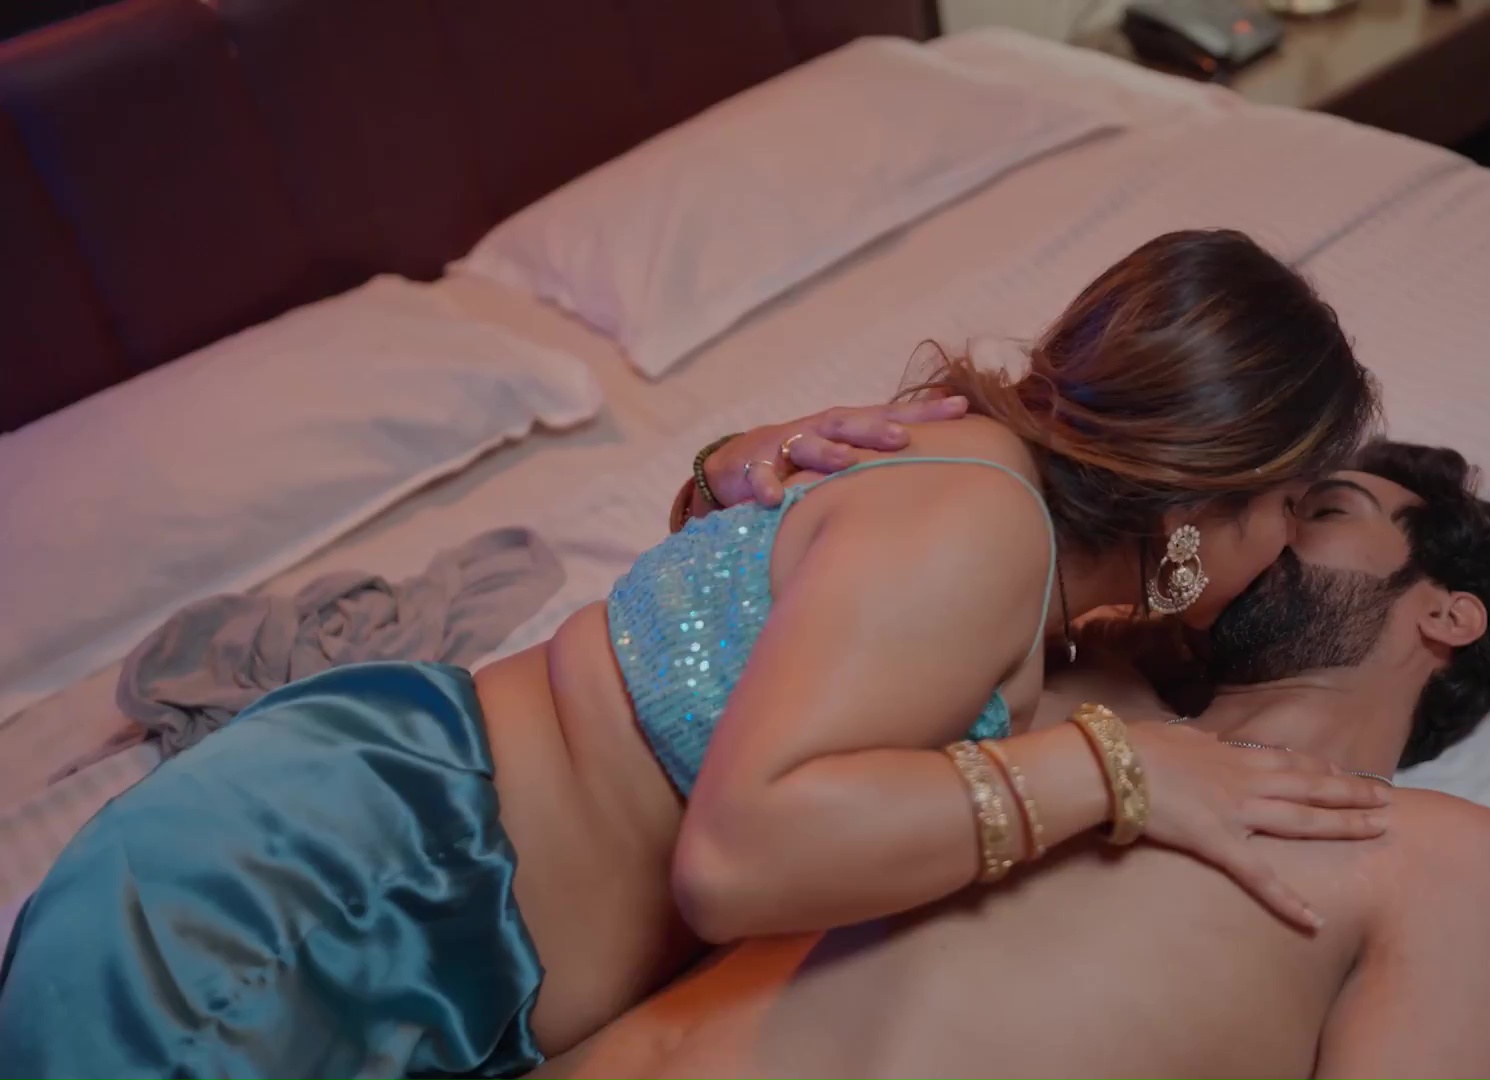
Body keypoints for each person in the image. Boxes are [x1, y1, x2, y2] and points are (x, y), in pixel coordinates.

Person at [0, 230, 1387, 1078]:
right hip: (337, 898)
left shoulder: (1019, 551)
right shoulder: (983, 524)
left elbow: (740, 638)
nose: (1287, 543)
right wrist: (1109, 768)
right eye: (1298, 503)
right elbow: (738, 858)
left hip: (422, 943)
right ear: (1214, 495)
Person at [531, 440, 1490, 1080]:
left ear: (1449, 613)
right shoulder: (1046, 677)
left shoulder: (1445, 861)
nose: (1264, 530)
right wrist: (741, 458)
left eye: (1323, 509)